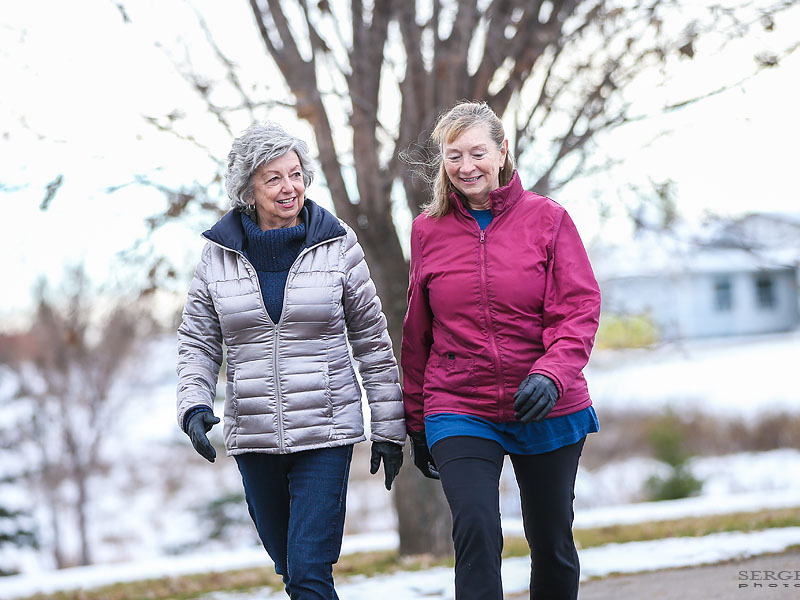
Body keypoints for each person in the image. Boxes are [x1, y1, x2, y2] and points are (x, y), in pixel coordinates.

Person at [176, 122, 405, 599]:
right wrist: (194, 406)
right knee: (290, 569)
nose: (289, 187)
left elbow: (371, 340)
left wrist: (388, 427)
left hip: (326, 431)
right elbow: (199, 341)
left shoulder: (336, 243)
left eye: (296, 174)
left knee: (308, 572)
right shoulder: (218, 256)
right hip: (255, 435)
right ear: (248, 189)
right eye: (274, 178)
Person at [401, 101, 602, 600]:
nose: (466, 167)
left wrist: (552, 374)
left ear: (502, 151)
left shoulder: (548, 219)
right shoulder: (427, 229)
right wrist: (416, 420)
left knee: (551, 540)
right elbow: (417, 329)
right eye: (454, 156)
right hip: (459, 403)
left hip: (544, 401)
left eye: (477, 153)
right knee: (475, 530)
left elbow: (578, 309)